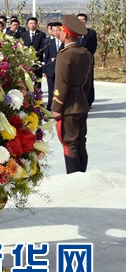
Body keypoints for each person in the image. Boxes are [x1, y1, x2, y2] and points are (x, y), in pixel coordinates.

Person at [51, 15, 93, 174]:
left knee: (69, 143)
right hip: (81, 103)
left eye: (61, 30)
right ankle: (82, 174)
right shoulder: (86, 54)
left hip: (68, 106)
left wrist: (56, 107)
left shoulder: (64, 55)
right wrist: (82, 97)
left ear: (67, 34)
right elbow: (88, 83)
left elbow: (61, 84)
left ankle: (74, 178)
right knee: (81, 141)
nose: (60, 33)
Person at [76, 13, 97, 108]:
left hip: (87, 61)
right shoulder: (72, 33)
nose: (81, 21)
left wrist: (86, 56)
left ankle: (88, 101)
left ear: (86, 21)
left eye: (83, 19)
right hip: (75, 61)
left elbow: (93, 47)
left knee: (88, 81)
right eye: (79, 19)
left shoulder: (91, 33)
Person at [42, 22, 62, 100]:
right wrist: (44, 70)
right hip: (50, 70)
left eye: (57, 30)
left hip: (62, 70)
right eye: (54, 30)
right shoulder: (49, 42)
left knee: (61, 89)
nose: (55, 32)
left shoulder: (65, 43)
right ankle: (50, 104)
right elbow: (46, 57)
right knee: (51, 89)